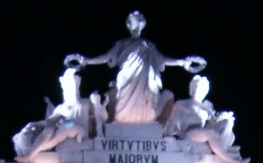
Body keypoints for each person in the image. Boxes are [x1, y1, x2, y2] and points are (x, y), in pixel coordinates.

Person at [65, 11, 206, 124]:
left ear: (143, 25)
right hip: (127, 79)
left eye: (139, 21)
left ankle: (145, 120)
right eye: (134, 21)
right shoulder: (122, 43)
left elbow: (162, 60)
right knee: (121, 110)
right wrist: (87, 60)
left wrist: (182, 62)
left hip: (144, 82)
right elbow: (107, 57)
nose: (137, 24)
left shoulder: (148, 45)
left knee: (148, 110)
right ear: (128, 25)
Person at [14, 69, 92, 161]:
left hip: (81, 128)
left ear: (77, 87)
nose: (70, 91)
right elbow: (49, 121)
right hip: (68, 125)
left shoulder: (85, 103)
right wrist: (36, 124)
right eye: (67, 89)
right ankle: (31, 154)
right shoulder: (61, 108)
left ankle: (31, 154)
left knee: (66, 126)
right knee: (49, 130)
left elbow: (99, 118)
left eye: (72, 87)